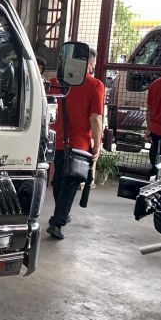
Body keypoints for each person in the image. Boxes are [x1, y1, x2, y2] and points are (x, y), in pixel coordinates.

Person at [46, 48, 105, 240]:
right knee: (71, 181)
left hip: (55, 139)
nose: (93, 69)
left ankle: (62, 214)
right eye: (93, 66)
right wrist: (97, 144)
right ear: (87, 64)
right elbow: (95, 119)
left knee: (59, 179)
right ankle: (57, 222)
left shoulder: (54, 83)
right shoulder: (95, 85)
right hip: (79, 143)